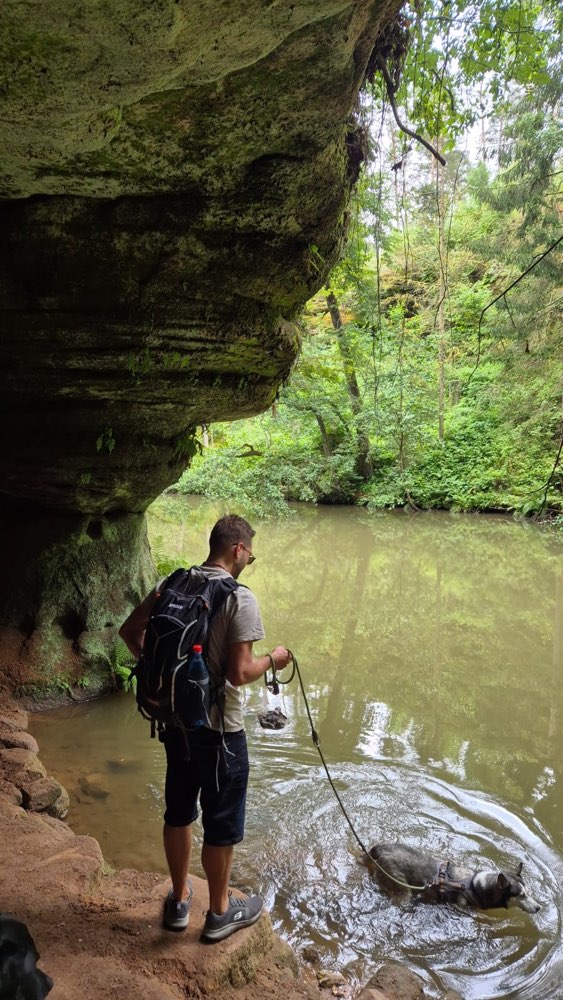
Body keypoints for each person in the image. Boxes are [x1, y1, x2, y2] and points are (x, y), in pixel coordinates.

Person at [119, 514, 292, 941]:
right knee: (221, 821)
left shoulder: (172, 583)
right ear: (238, 549)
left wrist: (163, 678)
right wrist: (274, 659)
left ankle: (179, 900)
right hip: (220, 732)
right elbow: (239, 672)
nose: (250, 560)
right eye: (250, 553)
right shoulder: (240, 598)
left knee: (178, 810)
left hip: (175, 721)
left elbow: (130, 631)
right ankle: (219, 913)